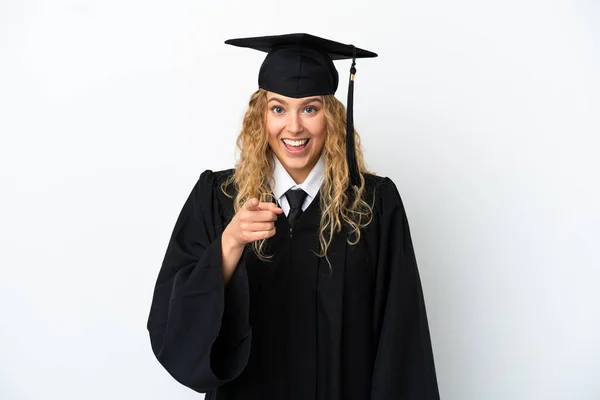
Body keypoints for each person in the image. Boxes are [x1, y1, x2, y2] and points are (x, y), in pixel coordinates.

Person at [147, 33, 440, 399]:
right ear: (260, 116)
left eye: (310, 108)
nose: (294, 127)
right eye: (278, 108)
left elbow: (402, 337)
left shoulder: (373, 206)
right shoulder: (218, 198)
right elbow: (173, 327)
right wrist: (230, 243)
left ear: (331, 116)